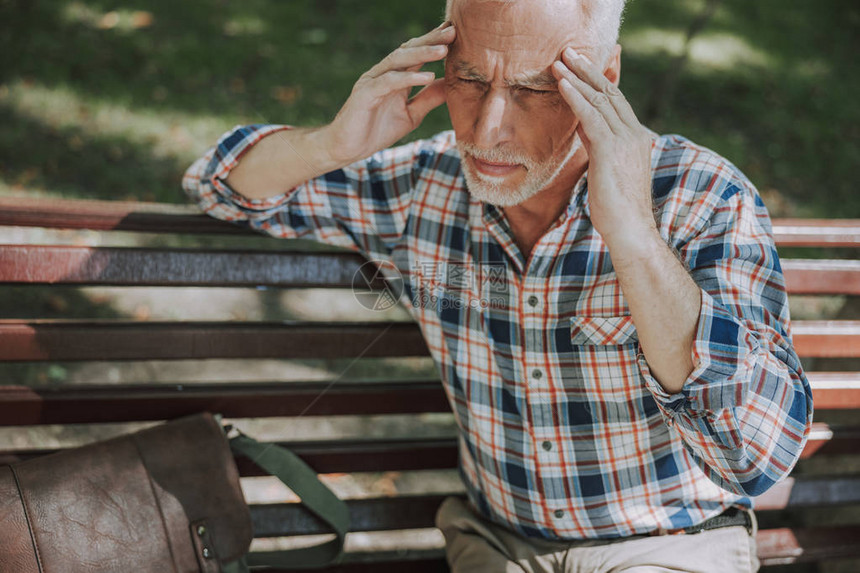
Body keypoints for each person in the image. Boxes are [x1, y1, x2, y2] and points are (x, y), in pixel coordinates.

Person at [183, 0, 812, 571]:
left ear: (606, 78)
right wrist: (329, 145)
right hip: (496, 545)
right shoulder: (422, 186)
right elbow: (217, 183)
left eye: (536, 89)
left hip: (666, 544)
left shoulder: (699, 196)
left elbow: (754, 456)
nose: (487, 131)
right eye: (469, 80)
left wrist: (633, 235)